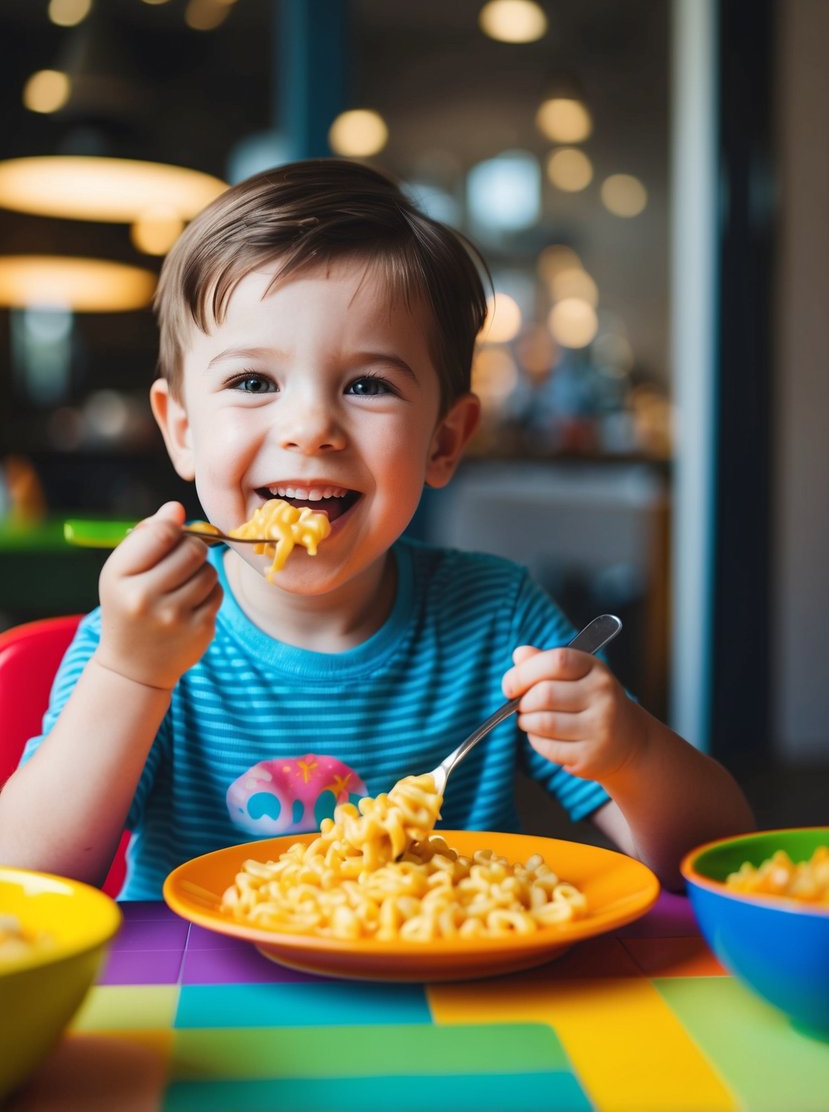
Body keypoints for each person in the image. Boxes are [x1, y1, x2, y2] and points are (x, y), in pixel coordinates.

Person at [0, 159, 754, 897]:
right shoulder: (137, 642)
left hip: (451, 1008)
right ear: (183, 429)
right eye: (253, 382)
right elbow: (22, 883)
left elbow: (714, 862)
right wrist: (131, 676)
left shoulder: (497, 620)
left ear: (443, 441)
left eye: (367, 384)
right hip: (196, 1008)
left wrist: (630, 751)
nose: (310, 428)